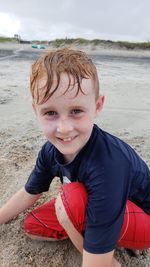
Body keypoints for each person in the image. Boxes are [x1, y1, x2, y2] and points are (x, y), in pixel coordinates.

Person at [0, 48, 150, 267]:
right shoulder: (50, 151)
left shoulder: (108, 165)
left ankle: (112, 257)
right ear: (36, 110)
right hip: (95, 201)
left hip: (141, 215)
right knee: (34, 226)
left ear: (97, 106)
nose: (63, 128)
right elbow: (29, 193)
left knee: (71, 200)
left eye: (76, 111)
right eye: (50, 113)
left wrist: (69, 225)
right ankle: (99, 236)